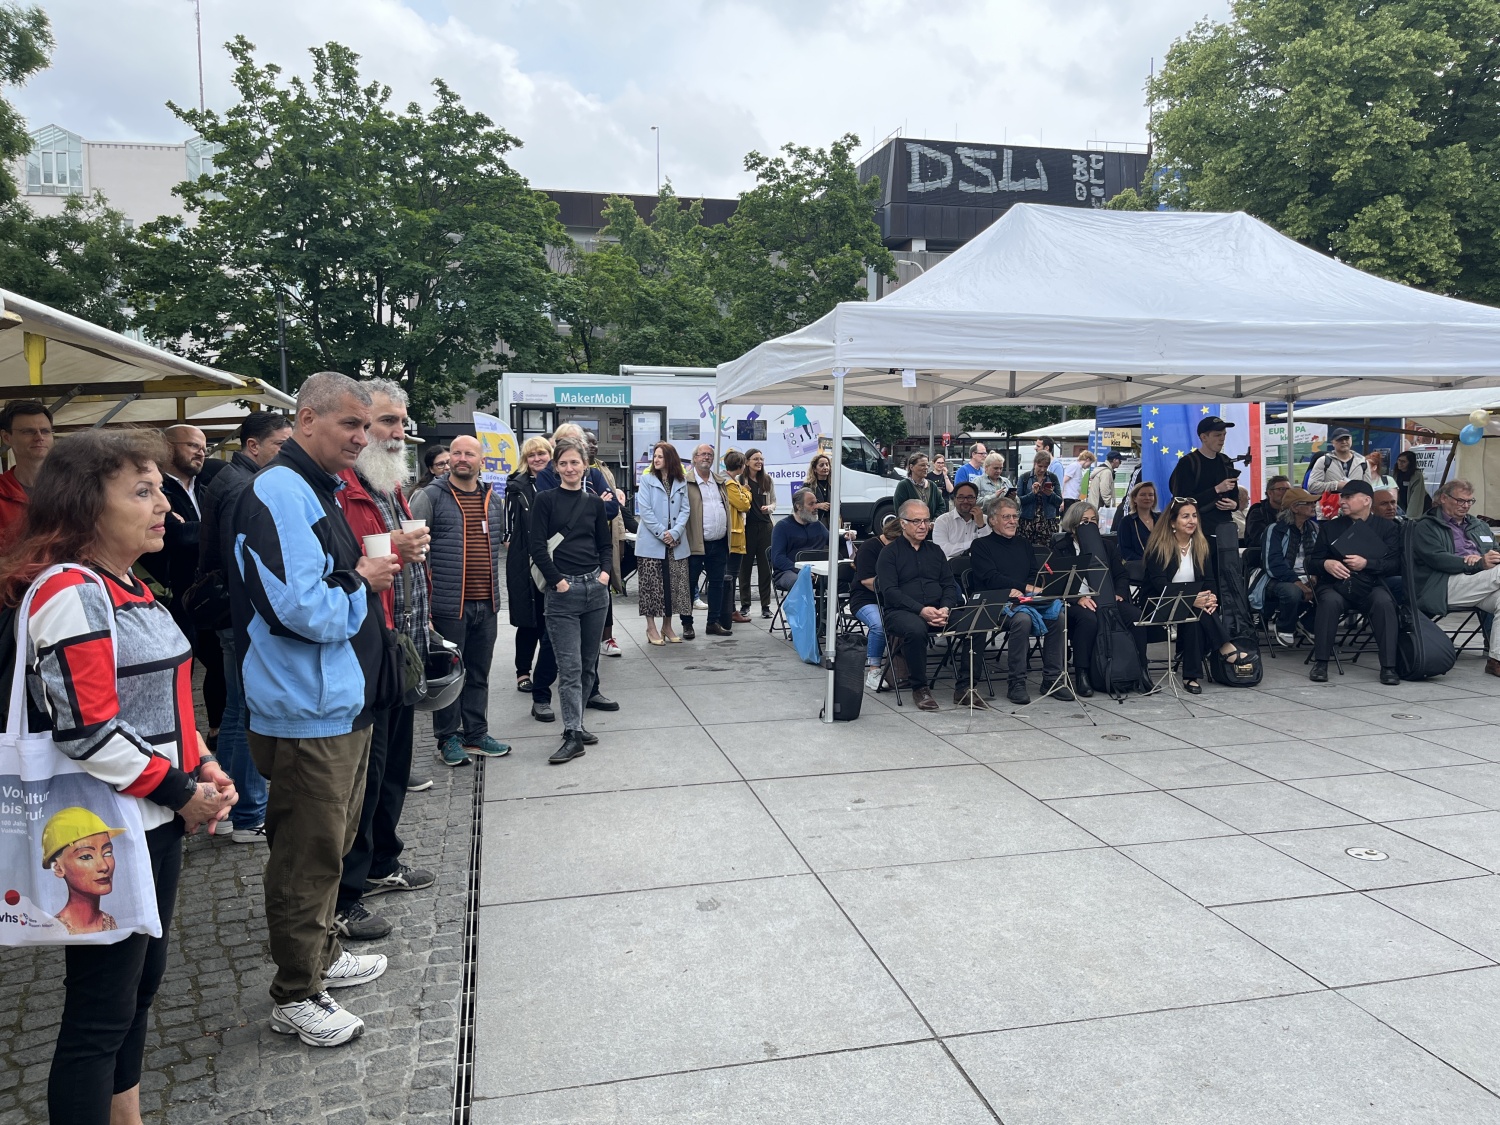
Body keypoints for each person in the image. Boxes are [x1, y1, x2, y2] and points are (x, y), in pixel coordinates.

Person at [2, 428, 237, 1121]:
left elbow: (167, 700)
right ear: (85, 505)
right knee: (100, 1011)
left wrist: (203, 762)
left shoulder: (131, 584)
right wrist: (182, 789)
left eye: (159, 487)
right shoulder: (71, 591)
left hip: (153, 820)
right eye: (140, 490)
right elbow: (88, 727)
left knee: (138, 989)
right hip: (108, 823)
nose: (162, 503)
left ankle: (127, 1114)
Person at [230, 371, 400, 1047]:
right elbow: (303, 610)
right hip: (304, 709)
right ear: (306, 421)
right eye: (350, 425)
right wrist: (364, 578)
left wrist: (361, 572)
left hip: (336, 702)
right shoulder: (277, 491)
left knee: (329, 847)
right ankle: (296, 991)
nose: (362, 438)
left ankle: (322, 953)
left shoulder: (315, 488)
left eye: (368, 427)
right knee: (306, 854)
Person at [331, 379, 436, 942]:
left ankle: (381, 859)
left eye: (401, 422)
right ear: (360, 426)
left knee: (394, 766)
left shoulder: (391, 482)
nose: (398, 433)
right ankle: (349, 889)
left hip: (404, 640)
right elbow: (350, 564)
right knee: (365, 778)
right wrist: (397, 545)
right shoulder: (343, 484)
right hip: (367, 647)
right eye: (387, 422)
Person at [195, 410, 292, 843]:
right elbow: (248, 560)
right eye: (280, 445)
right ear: (253, 447)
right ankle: (249, 811)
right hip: (240, 615)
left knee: (238, 708)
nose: (287, 454)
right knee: (247, 710)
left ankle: (237, 808)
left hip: (231, 612)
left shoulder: (234, 479)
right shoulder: (244, 486)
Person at [409, 435, 512, 766]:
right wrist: (421, 606)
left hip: (487, 602)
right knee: (450, 675)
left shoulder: (492, 500)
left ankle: (476, 734)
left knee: (479, 673)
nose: (462, 458)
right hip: (449, 605)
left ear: (482, 460)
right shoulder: (430, 497)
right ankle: (448, 739)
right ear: (449, 459)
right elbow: (414, 555)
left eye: (469, 453)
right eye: (456, 453)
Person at [143, 423, 227, 759]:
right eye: (192, 445)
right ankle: (179, 742)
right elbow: (174, 538)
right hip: (176, 594)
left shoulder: (205, 487)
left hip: (208, 594)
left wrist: (194, 530)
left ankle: (214, 731)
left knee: (219, 665)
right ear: (167, 447)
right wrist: (213, 527)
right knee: (180, 670)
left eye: (203, 446)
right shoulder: (160, 489)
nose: (200, 452)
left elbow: (190, 534)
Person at [530, 437, 613, 763]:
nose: (569, 468)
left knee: (588, 666)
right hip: (563, 595)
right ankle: (572, 734)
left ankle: (577, 724)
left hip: (595, 590)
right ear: (556, 467)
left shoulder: (593, 503)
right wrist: (559, 582)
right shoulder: (545, 500)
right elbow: (537, 547)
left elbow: (605, 545)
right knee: (569, 667)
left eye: (574, 462)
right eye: (563, 463)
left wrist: (605, 574)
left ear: (584, 466)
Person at [1142, 498, 1247, 694]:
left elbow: (1209, 581)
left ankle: (1192, 676)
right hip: (1160, 603)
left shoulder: (1200, 545)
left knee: (1194, 617)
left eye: (1194, 516)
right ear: (1173, 522)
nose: (1192, 521)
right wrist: (1193, 599)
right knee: (1194, 610)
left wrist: (1211, 598)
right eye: (1185, 516)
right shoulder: (1159, 547)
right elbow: (1160, 585)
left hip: (1193, 605)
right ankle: (1224, 647)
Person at [970, 495, 1067, 704]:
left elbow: (1033, 573)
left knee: (1058, 618)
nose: (1013, 521)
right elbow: (990, 577)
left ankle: (1052, 679)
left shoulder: (1023, 544)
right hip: (995, 603)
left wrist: (1025, 591)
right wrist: (1020, 588)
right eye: (1007, 517)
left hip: (1025, 599)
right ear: (993, 520)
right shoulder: (980, 545)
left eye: (1015, 516)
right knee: (1022, 620)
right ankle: (1017, 682)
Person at [1307, 479, 1401, 685]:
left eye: (1348, 497)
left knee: (1384, 603)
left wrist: (1367, 563)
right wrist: (1326, 564)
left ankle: (1389, 667)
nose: (1342, 501)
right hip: (1335, 585)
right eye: (1342, 497)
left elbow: (1395, 565)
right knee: (1329, 602)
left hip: (1371, 584)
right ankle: (1321, 663)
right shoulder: (1330, 527)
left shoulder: (1388, 528)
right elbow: (1311, 562)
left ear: (1367, 500)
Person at [1051, 502, 1146, 696]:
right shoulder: (1061, 548)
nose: (1089, 524)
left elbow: (1121, 575)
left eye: (1093, 520)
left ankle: (1141, 670)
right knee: (1089, 620)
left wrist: (1119, 593)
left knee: (1136, 617)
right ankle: (1082, 674)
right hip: (1076, 601)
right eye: (1085, 521)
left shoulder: (1107, 546)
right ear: (1074, 523)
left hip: (1108, 598)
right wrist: (1077, 598)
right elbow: (1056, 582)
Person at [875, 500, 962, 711]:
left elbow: (949, 585)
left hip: (938, 610)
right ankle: (920, 688)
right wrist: (921, 610)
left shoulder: (935, 551)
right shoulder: (889, 553)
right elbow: (890, 592)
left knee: (976, 622)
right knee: (916, 628)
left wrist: (945, 608)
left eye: (926, 521)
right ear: (902, 523)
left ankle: (966, 686)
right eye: (916, 521)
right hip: (901, 612)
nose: (923, 526)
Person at [1412, 478, 1500, 676]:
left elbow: (1495, 550)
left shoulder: (1479, 525)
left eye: (1469, 501)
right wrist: (1477, 563)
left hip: (1481, 582)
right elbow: (1437, 559)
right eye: (1461, 501)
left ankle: (1496, 660)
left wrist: (1493, 557)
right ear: (1443, 498)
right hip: (1443, 584)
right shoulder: (1427, 526)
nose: (1465, 506)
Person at [506, 437, 555, 698]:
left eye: (542, 454)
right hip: (524, 558)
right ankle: (523, 671)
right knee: (528, 619)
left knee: (552, 617)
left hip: (554, 557)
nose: (537, 459)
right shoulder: (516, 485)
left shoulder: (558, 482)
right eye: (532, 455)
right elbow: (508, 525)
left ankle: (547, 670)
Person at [635, 441, 690, 644]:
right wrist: (662, 533)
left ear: (670, 459)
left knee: (673, 586)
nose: (656, 460)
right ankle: (651, 628)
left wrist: (675, 533)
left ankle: (667, 626)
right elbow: (645, 511)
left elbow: (685, 509)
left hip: (676, 543)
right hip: (651, 543)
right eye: (655, 456)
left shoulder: (681, 480)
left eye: (660, 456)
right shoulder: (647, 479)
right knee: (651, 587)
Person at [681, 443, 732, 639]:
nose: (706, 457)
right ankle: (687, 624)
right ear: (694, 458)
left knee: (717, 584)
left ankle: (714, 622)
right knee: (689, 583)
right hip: (695, 543)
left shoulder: (719, 482)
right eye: (702, 454)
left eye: (710, 455)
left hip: (718, 542)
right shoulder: (686, 482)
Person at [1169, 415, 1240, 544]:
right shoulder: (1188, 463)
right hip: (1198, 532)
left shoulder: (1226, 461)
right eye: (1218, 435)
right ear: (1204, 437)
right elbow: (1182, 500)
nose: (1222, 439)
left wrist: (1234, 505)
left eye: (1224, 435)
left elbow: (1234, 496)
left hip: (1224, 530)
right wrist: (1216, 489)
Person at [1264, 487, 1319, 646]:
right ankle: (1284, 626)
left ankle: (1307, 622)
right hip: (1278, 579)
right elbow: (1273, 564)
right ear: (1295, 508)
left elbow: (1319, 557)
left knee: (1333, 589)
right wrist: (1297, 582)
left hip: (1309, 576)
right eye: (1308, 503)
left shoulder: (1314, 529)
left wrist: (1314, 576)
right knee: (1292, 592)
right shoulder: (1275, 530)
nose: (1313, 506)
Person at [850, 515, 899, 691]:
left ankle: (906, 669)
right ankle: (874, 670)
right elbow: (866, 581)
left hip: (895, 598)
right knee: (879, 624)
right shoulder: (870, 548)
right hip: (866, 598)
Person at [0, 399, 54, 547]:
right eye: (28, 431)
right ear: (6, 438)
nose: (39, 437)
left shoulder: (74, 489)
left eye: (45, 431)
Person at [738, 448, 776, 619]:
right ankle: (745, 604)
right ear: (747, 462)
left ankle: (765, 605)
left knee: (765, 567)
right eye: (755, 459)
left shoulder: (767, 480)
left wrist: (770, 508)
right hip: (746, 528)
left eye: (761, 459)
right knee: (744, 566)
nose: (759, 462)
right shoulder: (740, 480)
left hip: (765, 526)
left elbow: (774, 501)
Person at [771, 487, 833, 590]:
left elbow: (832, 541)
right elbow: (778, 558)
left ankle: (827, 606)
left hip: (816, 570)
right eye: (811, 504)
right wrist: (801, 570)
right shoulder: (782, 527)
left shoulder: (817, 525)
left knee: (840, 580)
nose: (816, 507)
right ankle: (805, 606)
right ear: (798, 506)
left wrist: (845, 537)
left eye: (816, 503)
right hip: (788, 571)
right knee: (799, 581)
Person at [721, 450, 752, 631]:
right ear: (741, 466)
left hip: (733, 534)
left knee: (730, 574)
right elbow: (744, 505)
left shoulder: (729, 482)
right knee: (731, 575)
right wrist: (747, 493)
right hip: (734, 535)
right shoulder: (731, 484)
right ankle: (730, 610)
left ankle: (728, 609)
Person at [1243, 475, 1290, 570]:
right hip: (1262, 560)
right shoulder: (1258, 512)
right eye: (1282, 489)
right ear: (1270, 493)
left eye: (1289, 489)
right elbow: (1260, 538)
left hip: (1288, 557)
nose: (1286, 493)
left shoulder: (1291, 512)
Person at [931, 480, 989, 558]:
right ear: (954, 499)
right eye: (961, 497)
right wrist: (973, 544)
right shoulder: (942, 521)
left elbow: (989, 548)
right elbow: (942, 550)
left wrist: (981, 526)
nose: (965, 501)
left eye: (970, 497)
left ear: (976, 499)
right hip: (950, 568)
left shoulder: (986, 520)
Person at [1307, 427, 1371, 496]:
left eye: (1346, 439)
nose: (1344, 442)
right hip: (1330, 505)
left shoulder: (1362, 462)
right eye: (1339, 439)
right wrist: (1336, 485)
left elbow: (1368, 489)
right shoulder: (1323, 461)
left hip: (1355, 504)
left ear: (1351, 440)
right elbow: (1312, 486)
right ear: (1333, 442)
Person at [1017, 451, 1062, 546]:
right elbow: (1018, 501)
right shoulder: (1025, 478)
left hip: (1048, 522)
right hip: (1027, 522)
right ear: (1034, 463)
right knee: (1026, 549)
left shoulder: (1052, 478)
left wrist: (1050, 494)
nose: (1042, 469)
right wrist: (1032, 494)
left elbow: (1059, 501)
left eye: (1045, 467)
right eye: (1040, 466)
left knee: (1046, 552)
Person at [894, 452, 947, 519]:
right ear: (911, 467)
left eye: (927, 465)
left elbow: (941, 506)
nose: (926, 468)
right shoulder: (904, 486)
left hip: (931, 528)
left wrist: (934, 521)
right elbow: (900, 511)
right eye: (922, 465)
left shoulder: (932, 486)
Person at [1116, 480, 1158, 562]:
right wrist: (1144, 561)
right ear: (1134, 498)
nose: (1147, 498)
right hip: (1139, 567)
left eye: (1151, 495)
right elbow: (1125, 550)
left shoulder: (1161, 519)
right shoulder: (1126, 522)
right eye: (1143, 495)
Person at [1395, 450, 1429, 517]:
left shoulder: (1417, 475)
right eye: (1399, 460)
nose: (1400, 463)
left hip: (1418, 507)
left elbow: (1416, 499)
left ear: (1410, 463)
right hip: (1403, 506)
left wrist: (1411, 517)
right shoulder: (1396, 473)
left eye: (1403, 462)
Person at [803, 451, 834, 525]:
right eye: (821, 465)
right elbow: (801, 505)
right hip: (814, 521)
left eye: (827, 465)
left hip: (831, 522)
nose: (825, 467)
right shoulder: (808, 486)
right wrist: (818, 506)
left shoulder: (833, 485)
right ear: (814, 469)